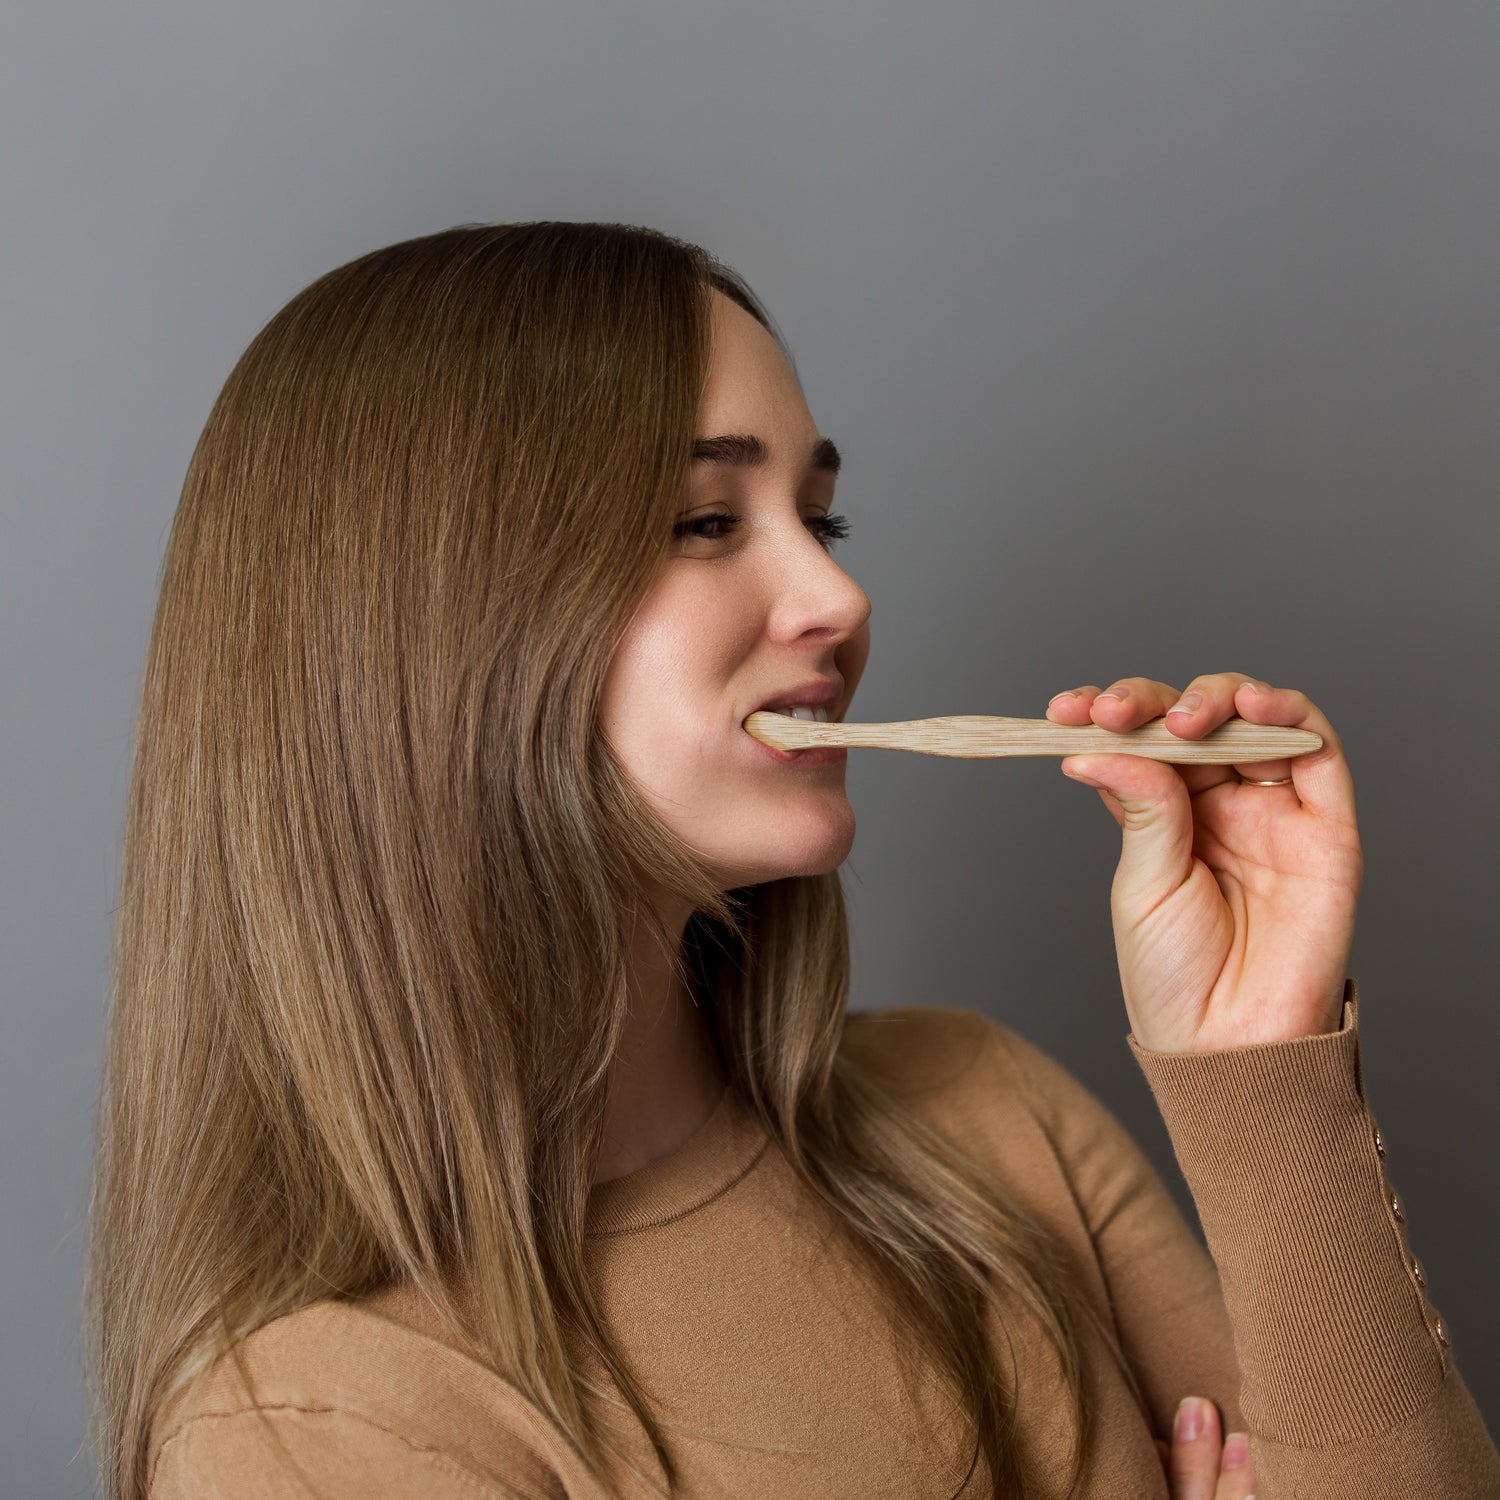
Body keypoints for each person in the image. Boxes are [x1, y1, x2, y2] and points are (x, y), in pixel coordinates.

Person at [84, 221, 1500, 1500]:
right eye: (709, 522)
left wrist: (1262, 1065)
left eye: (818, 518)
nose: (839, 595)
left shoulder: (989, 1116)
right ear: (424, 637)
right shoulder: (315, 1430)